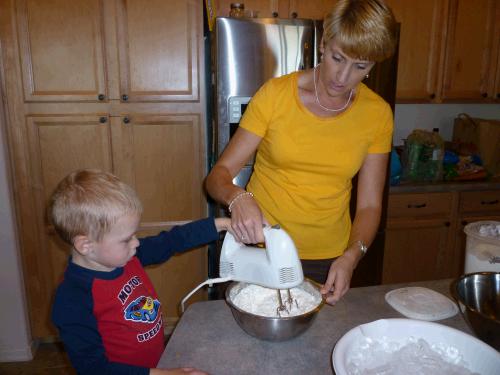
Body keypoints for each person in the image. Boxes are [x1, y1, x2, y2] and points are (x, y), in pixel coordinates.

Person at [205, 0, 398, 305]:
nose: (343, 77)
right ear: (323, 44)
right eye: (338, 58)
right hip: (263, 247)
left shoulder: (378, 115)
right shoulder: (275, 95)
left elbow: (370, 206)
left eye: (360, 66)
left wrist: (352, 256)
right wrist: (238, 197)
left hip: (330, 259)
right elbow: (218, 176)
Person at [50, 169, 232, 375]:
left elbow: (172, 241)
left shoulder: (126, 256)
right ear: (85, 245)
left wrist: (221, 224)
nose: (136, 243)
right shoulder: (73, 299)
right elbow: (95, 369)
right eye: (126, 239)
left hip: (155, 363)